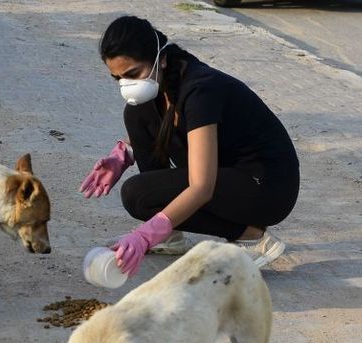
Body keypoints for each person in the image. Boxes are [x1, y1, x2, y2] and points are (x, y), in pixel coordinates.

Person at [80, 15, 300, 277]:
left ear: (160, 59)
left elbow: (201, 187)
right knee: (136, 117)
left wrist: (146, 234)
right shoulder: (160, 87)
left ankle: (253, 238)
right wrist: (123, 155)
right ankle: (170, 237)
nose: (127, 85)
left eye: (132, 74)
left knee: (137, 193)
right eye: (118, 78)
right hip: (228, 173)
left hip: (268, 187)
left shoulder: (200, 90)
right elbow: (164, 131)